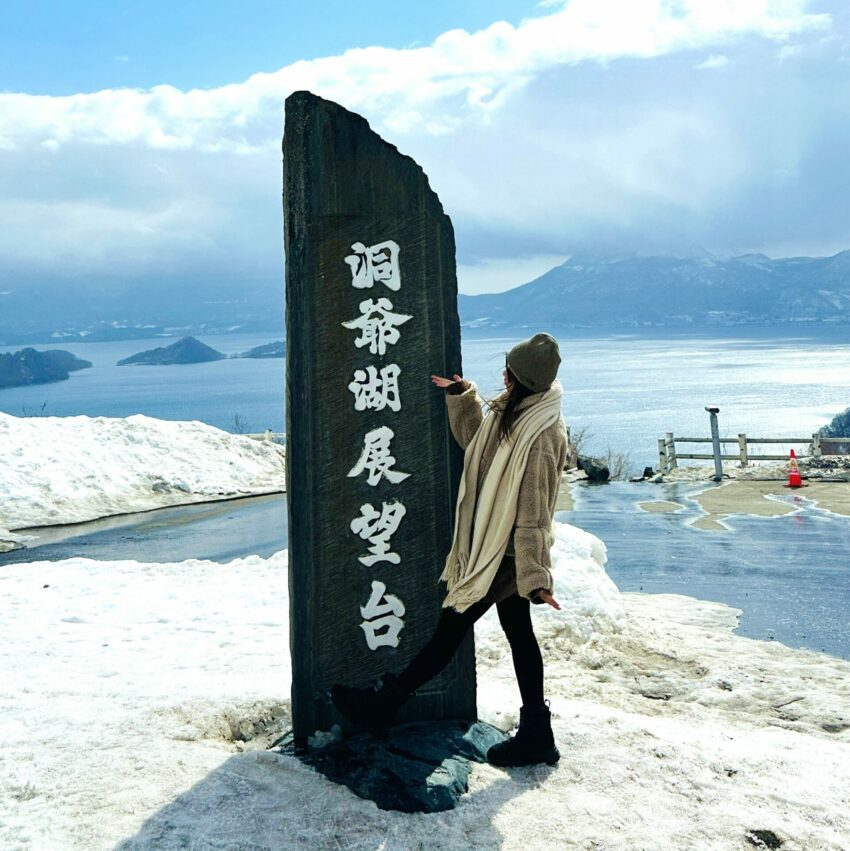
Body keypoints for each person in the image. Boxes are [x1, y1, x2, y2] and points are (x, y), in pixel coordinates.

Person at [332, 332, 568, 767]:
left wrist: (535, 576)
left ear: (522, 380)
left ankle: (384, 704)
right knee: (517, 635)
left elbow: (536, 510)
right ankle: (537, 732)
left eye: (510, 372)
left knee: (451, 627)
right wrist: (463, 396)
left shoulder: (542, 432)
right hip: (497, 546)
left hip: (505, 554)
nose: (504, 376)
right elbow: (477, 446)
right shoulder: (517, 413)